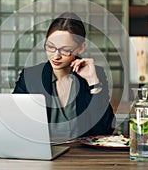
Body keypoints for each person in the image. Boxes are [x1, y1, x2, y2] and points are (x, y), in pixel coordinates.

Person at [13, 12, 115, 140]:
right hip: (42, 153)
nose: (56, 56)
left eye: (65, 50)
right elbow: (14, 124)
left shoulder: (95, 74)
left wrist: (93, 82)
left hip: (81, 155)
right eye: (50, 47)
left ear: (80, 48)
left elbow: (105, 131)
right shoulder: (30, 77)